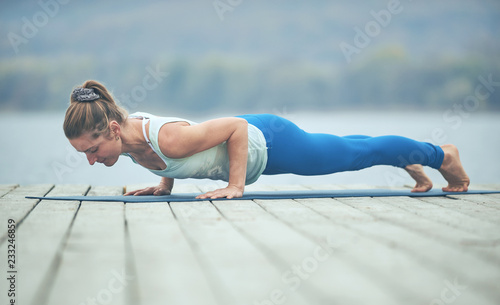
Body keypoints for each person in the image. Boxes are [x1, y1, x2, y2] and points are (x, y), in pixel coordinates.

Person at [64, 80, 470, 199]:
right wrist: (164, 184)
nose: (91, 159)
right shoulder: (128, 142)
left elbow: (235, 129)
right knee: (350, 147)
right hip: (259, 149)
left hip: (269, 141)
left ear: (113, 129)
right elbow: (161, 157)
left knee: (352, 154)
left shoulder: (164, 139)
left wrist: (235, 187)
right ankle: (407, 159)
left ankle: (441, 154)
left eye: (92, 150)